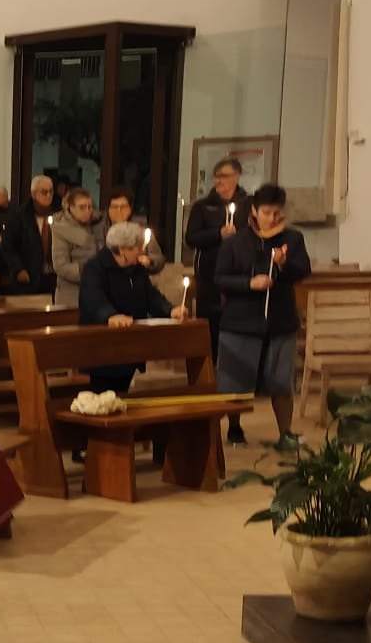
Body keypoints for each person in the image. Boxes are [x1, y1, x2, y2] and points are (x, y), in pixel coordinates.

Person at [215, 183, 312, 442]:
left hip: (280, 322)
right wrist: (249, 283)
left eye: (276, 213)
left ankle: (285, 433)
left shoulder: (293, 238)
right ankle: (234, 428)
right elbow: (220, 278)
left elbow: (303, 271)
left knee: (282, 383)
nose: (272, 218)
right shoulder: (235, 242)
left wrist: (284, 264)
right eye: (266, 212)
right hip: (240, 322)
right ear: (254, 211)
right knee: (234, 384)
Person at [77, 220, 185, 395]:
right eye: (137, 248)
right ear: (123, 249)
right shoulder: (95, 267)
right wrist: (110, 316)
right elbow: (93, 299)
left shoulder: (136, 268)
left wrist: (170, 310)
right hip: (102, 347)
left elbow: (150, 295)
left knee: (123, 394)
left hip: (129, 345)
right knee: (105, 396)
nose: (141, 252)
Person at [185, 159, 250, 435]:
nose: (219, 181)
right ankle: (209, 406)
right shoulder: (203, 206)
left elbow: (257, 235)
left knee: (236, 349)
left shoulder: (249, 204)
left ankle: (235, 420)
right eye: (216, 176)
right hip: (210, 282)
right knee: (210, 345)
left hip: (239, 283)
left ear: (237, 177)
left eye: (224, 176)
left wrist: (239, 236)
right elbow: (192, 238)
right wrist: (218, 234)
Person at [0, 176, 56, 294]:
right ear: (34, 194)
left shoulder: (58, 214)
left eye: (51, 191)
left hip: (53, 277)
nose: (48, 195)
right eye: (44, 192)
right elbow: (8, 246)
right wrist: (18, 269)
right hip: (29, 276)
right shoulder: (20, 216)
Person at [50, 185, 103, 309]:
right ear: (71, 207)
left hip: (98, 293)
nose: (87, 211)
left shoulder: (99, 224)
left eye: (90, 207)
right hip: (72, 295)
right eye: (82, 207)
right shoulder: (61, 229)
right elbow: (60, 266)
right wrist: (89, 271)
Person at [103, 187, 164, 273]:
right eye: (114, 207)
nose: (119, 211)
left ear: (130, 209)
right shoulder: (99, 229)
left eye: (123, 207)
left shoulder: (140, 230)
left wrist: (149, 260)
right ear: (108, 209)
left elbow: (159, 258)